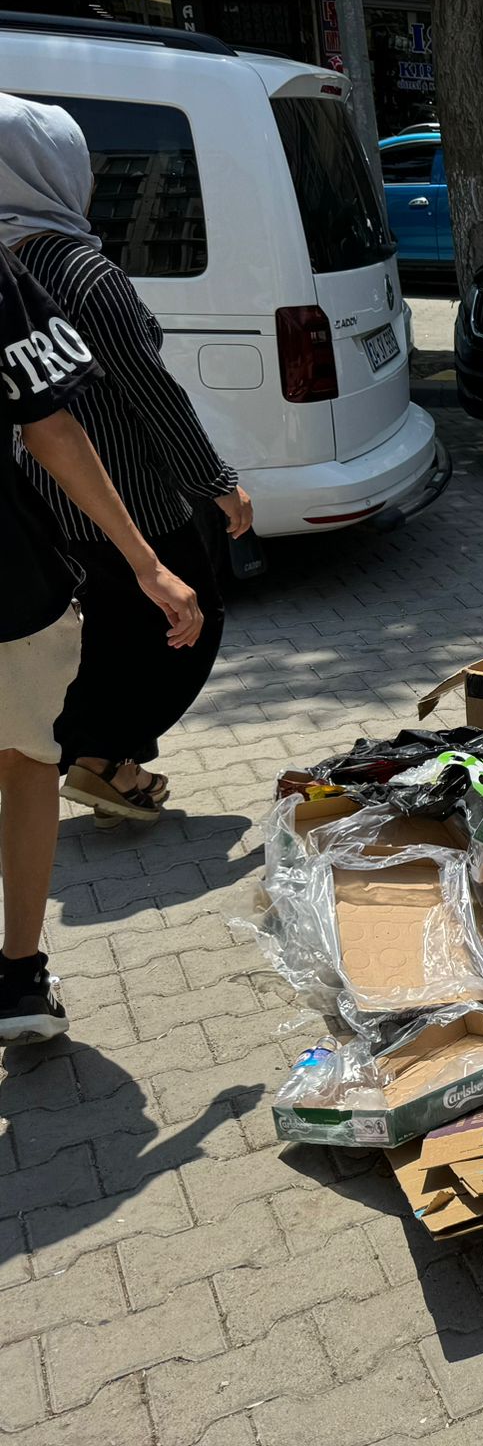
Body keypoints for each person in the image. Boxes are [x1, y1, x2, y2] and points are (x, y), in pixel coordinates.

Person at [0, 94, 248, 824]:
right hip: (131, 495)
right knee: (187, 623)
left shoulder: (12, 263)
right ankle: (99, 754)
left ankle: (110, 763)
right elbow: (152, 393)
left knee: (113, 631)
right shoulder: (82, 271)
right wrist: (218, 481)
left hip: (52, 498)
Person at [1, 243, 202, 1041]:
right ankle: (18, 980)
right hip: (9, 582)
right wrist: (147, 562)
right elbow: (49, 423)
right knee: (24, 764)